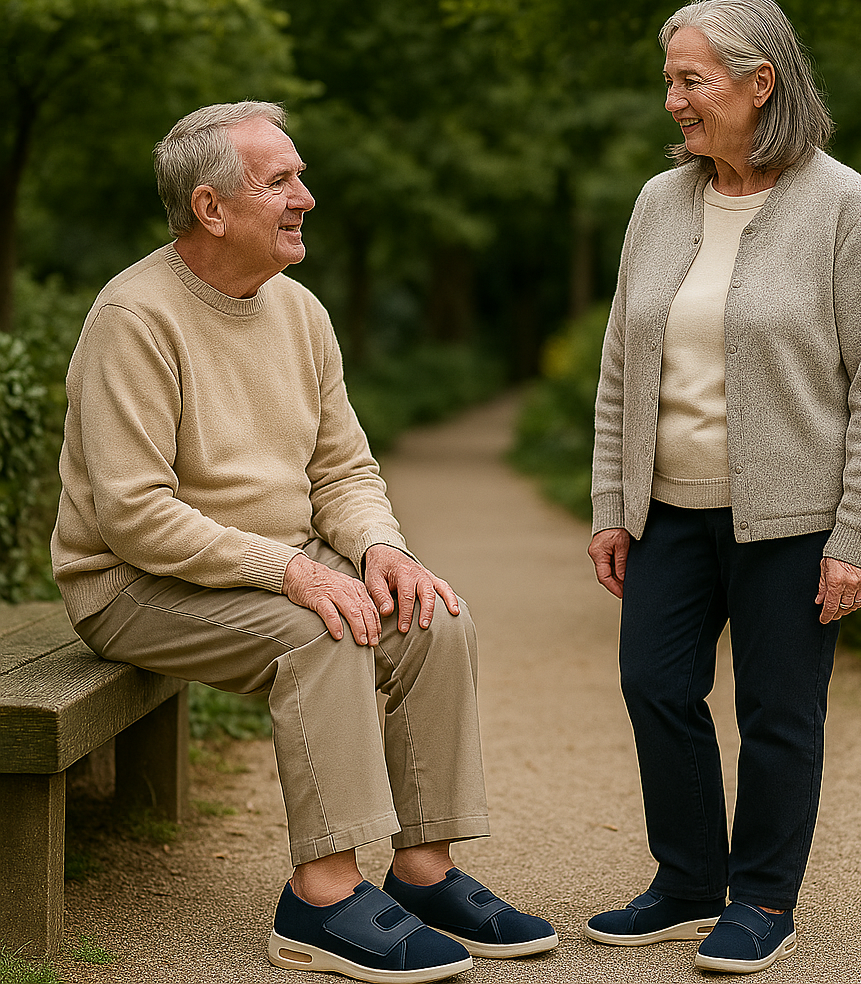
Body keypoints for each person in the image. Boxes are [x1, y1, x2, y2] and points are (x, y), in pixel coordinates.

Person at [51, 101, 557, 983]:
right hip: (131, 582)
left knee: (432, 616)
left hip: (266, 568)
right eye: (281, 181)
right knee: (324, 634)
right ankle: (319, 901)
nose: (305, 198)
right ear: (211, 209)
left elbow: (343, 471)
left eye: (300, 176)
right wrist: (287, 569)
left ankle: (422, 870)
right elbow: (133, 516)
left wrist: (378, 551)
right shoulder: (134, 317)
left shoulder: (300, 312)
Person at [583, 0, 861, 975]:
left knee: (778, 711)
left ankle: (763, 895)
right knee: (654, 682)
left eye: (692, 79)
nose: (674, 100)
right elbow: (618, 371)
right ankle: (688, 881)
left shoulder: (841, 204)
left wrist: (856, 536)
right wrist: (612, 504)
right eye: (670, 80)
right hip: (668, 515)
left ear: (758, 82)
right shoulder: (658, 202)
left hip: (793, 521)